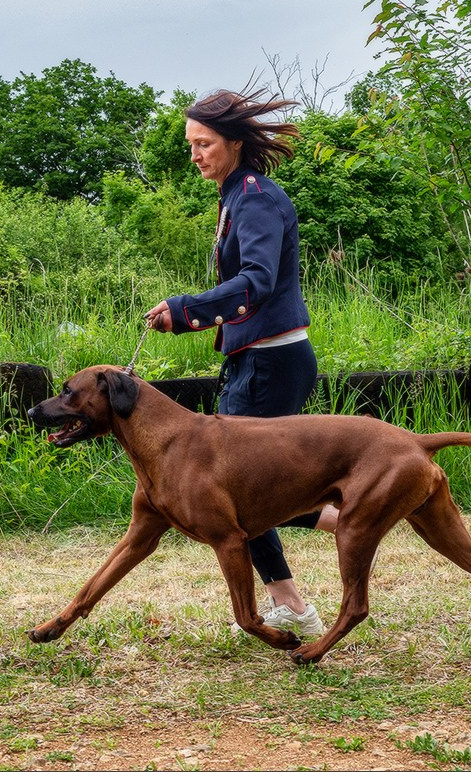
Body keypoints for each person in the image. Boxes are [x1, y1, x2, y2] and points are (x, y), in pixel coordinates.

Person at [145, 87, 338, 635]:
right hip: (257, 360)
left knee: (236, 490)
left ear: (233, 143)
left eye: (204, 143)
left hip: (270, 363)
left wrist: (187, 310)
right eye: (190, 146)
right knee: (244, 489)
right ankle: (294, 600)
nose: (195, 154)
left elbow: (257, 281)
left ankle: (344, 524)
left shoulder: (253, 198)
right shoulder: (237, 195)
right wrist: (194, 317)